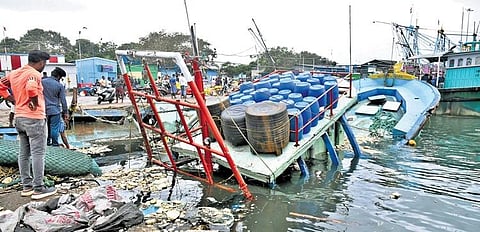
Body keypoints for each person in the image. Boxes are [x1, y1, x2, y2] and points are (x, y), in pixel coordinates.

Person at [0, 50, 57, 200]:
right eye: (44, 63)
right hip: (34, 118)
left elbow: (1, 84)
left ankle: (27, 186)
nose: (44, 66)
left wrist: (11, 98)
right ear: (40, 62)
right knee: (38, 153)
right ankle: (38, 188)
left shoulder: (14, 73)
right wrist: (34, 102)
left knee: (24, 153)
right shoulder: (34, 74)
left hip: (19, 118)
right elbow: (31, 88)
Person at [42, 67, 69, 148]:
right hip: (55, 110)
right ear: (58, 76)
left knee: (45, 128)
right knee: (54, 128)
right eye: (60, 78)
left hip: (43, 110)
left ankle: (47, 143)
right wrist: (66, 112)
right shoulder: (59, 85)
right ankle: (55, 145)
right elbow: (63, 101)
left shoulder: (41, 82)